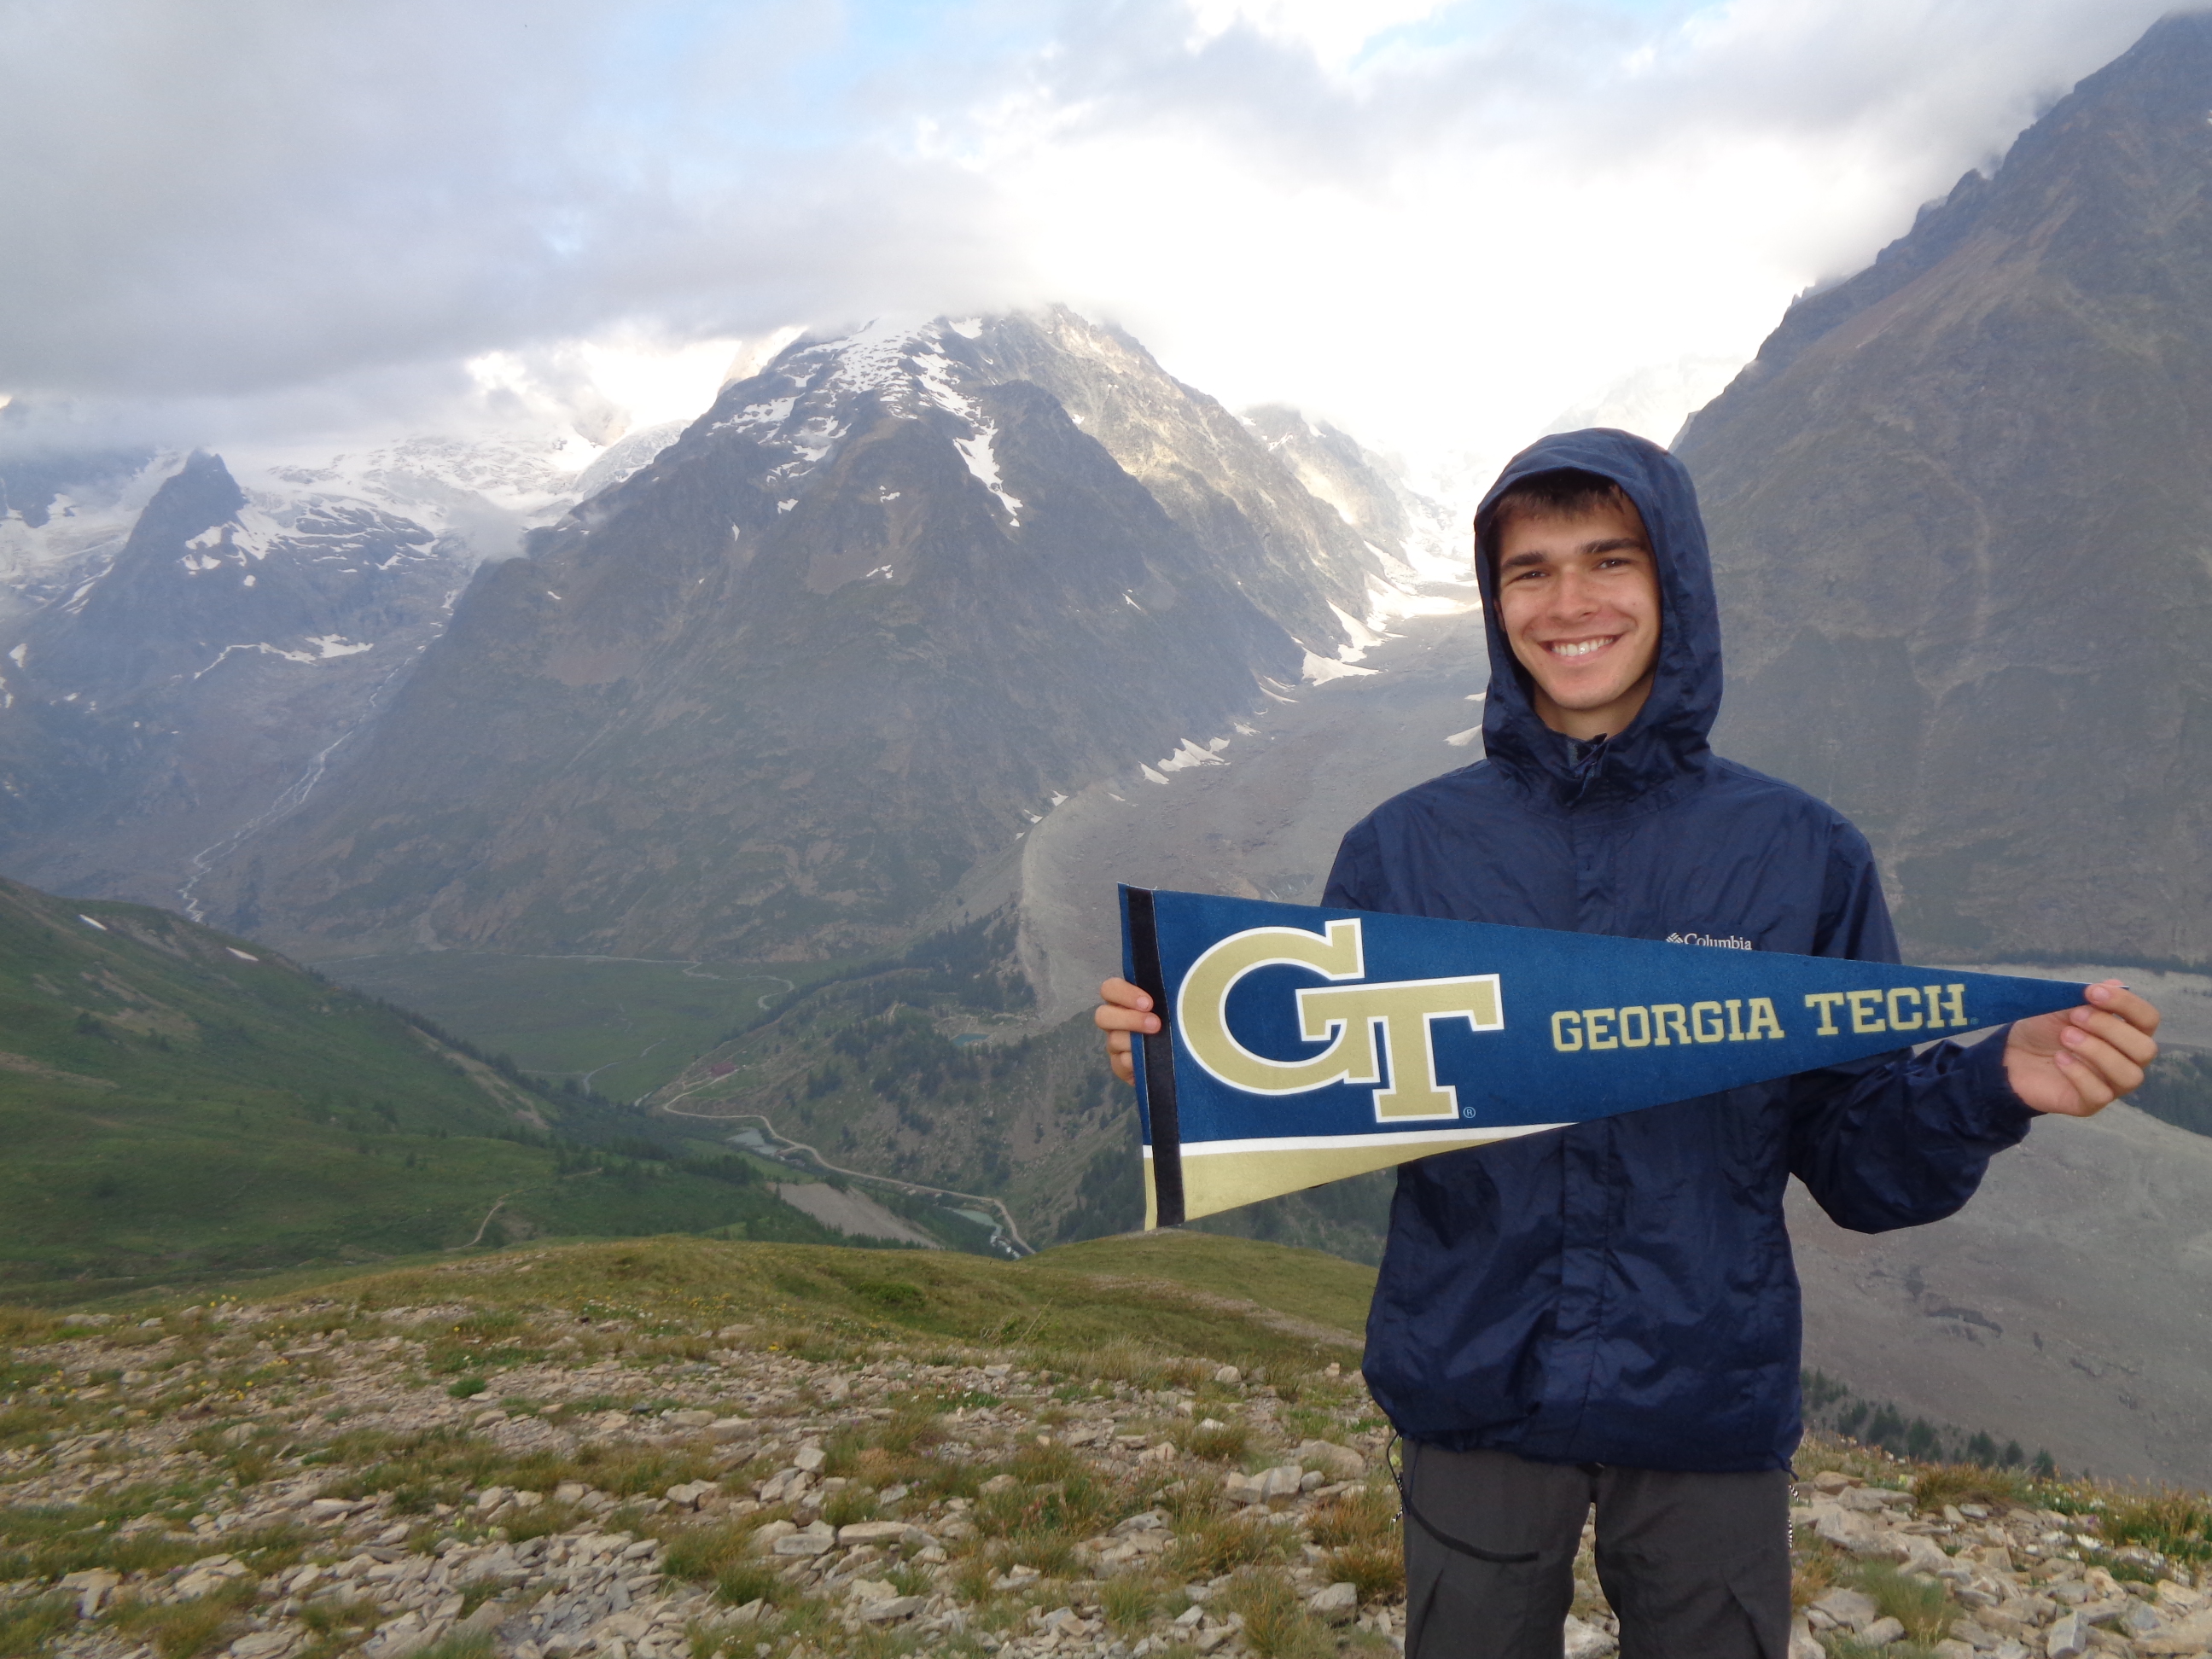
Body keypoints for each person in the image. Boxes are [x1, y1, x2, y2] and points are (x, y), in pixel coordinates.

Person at [1094, 428, 2161, 1659]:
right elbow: (1326, 1086)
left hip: (1705, 1398)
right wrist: (1185, 1060)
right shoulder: (1402, 850)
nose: (1571, 603)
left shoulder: (1803, 853)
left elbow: (1861, 1168)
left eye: (1611, 560)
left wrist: (1988, 1083)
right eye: (1529, 570)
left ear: (1676, 587)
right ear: (1496, 605)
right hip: (1472, 1390)